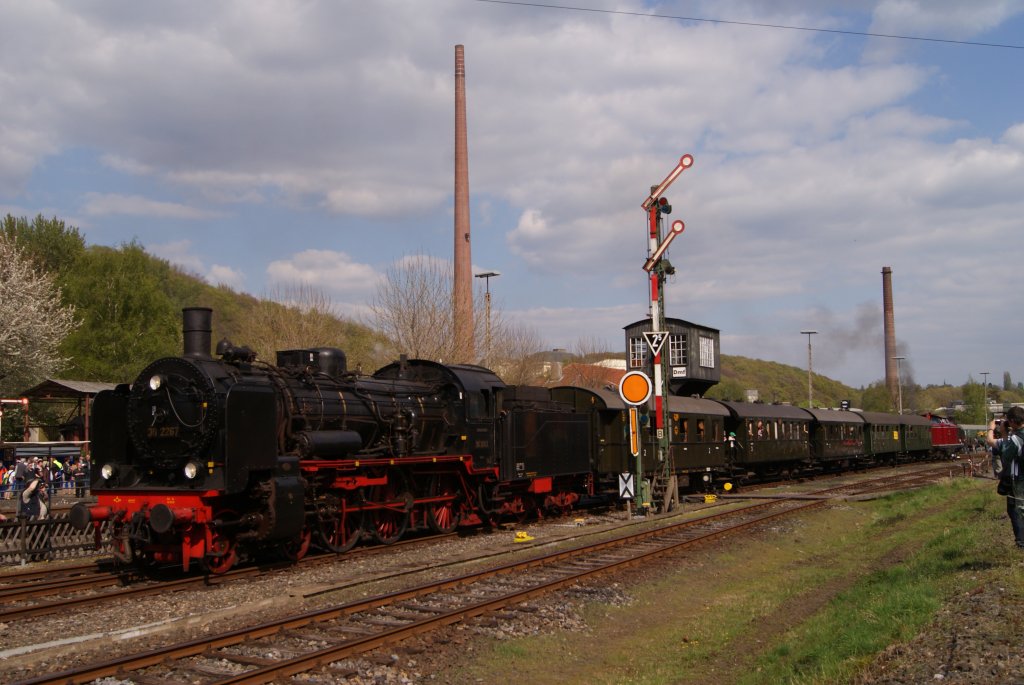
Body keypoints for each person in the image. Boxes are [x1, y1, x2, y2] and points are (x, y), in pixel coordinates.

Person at [986, 406, 1024, 549]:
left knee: (1018, 510)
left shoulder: (1016, 439)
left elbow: (993, 443)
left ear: (1013, 421)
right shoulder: (1017, 437)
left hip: (1020, 479)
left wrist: (991, 429)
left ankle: (1021, 541)